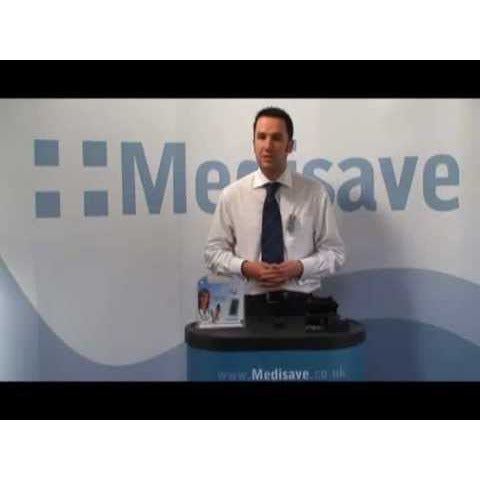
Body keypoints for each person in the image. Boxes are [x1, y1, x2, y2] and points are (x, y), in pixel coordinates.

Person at [204, 107, 345, 317]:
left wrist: (299, 267)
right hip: (248, 306)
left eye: (276, 138)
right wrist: (245, 267)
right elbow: (213, 254)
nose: (268, 146)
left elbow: (335, 254)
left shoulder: (314, 193)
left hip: (302, 306)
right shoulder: (232, 195)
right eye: (261, 137)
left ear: (290, 146)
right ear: (253, 143)